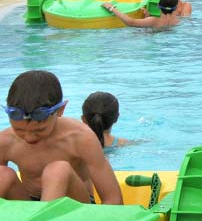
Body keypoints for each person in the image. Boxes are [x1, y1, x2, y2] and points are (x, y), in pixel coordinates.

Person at [0, 70, 123, 204]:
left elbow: (113, 198)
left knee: (58, 170)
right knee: (2, 174)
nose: (29, 138)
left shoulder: (80, 137)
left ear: (60, 110)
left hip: (75, 206)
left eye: (39, 130)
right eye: (19, 130)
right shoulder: (6, 141)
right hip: (30, 205)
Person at [102, 0, 182, 31]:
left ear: (158, 5)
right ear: (175, 8)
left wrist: (112, 8)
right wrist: (147, 17)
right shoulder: (177, 20)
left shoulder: (154, 20)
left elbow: (130, 22)